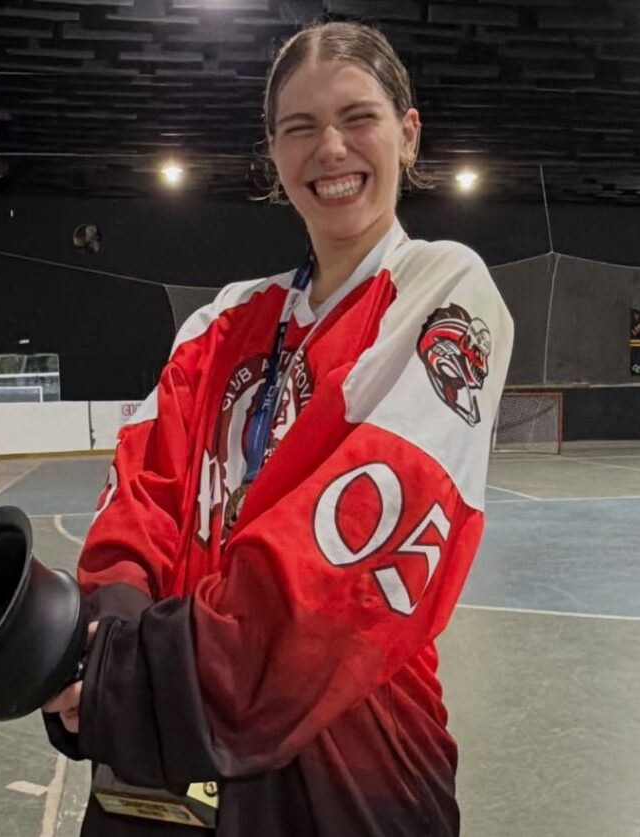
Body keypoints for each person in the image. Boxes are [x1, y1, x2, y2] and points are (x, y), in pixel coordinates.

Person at [42, 20, 514, 837]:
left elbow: (344, 565)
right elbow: (139, 501)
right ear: (274, 152)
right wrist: (106, 635)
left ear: (407, 134)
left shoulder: (443, 291)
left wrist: (132, 674)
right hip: (175, 748)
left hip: (358, 756)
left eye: (357, 118)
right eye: (300, 127)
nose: (330, 148)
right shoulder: (221, 321)